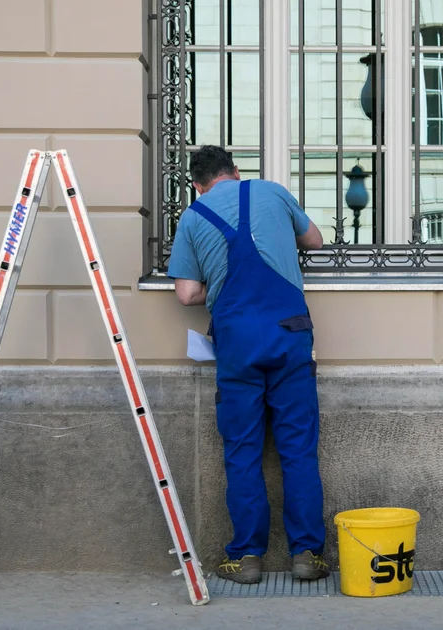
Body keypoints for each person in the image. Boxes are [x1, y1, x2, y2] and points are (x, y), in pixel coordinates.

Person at [167, 145, 328, 584]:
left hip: (237, 343)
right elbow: (314, 240)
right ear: (236, 173)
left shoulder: (194, 216)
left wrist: (218, 284)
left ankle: (246, 558)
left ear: (197, 186)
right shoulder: (273, 192)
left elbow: (185, 294)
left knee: (242, 454)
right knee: (298, 451)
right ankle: (308, 555)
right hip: (290, 334)